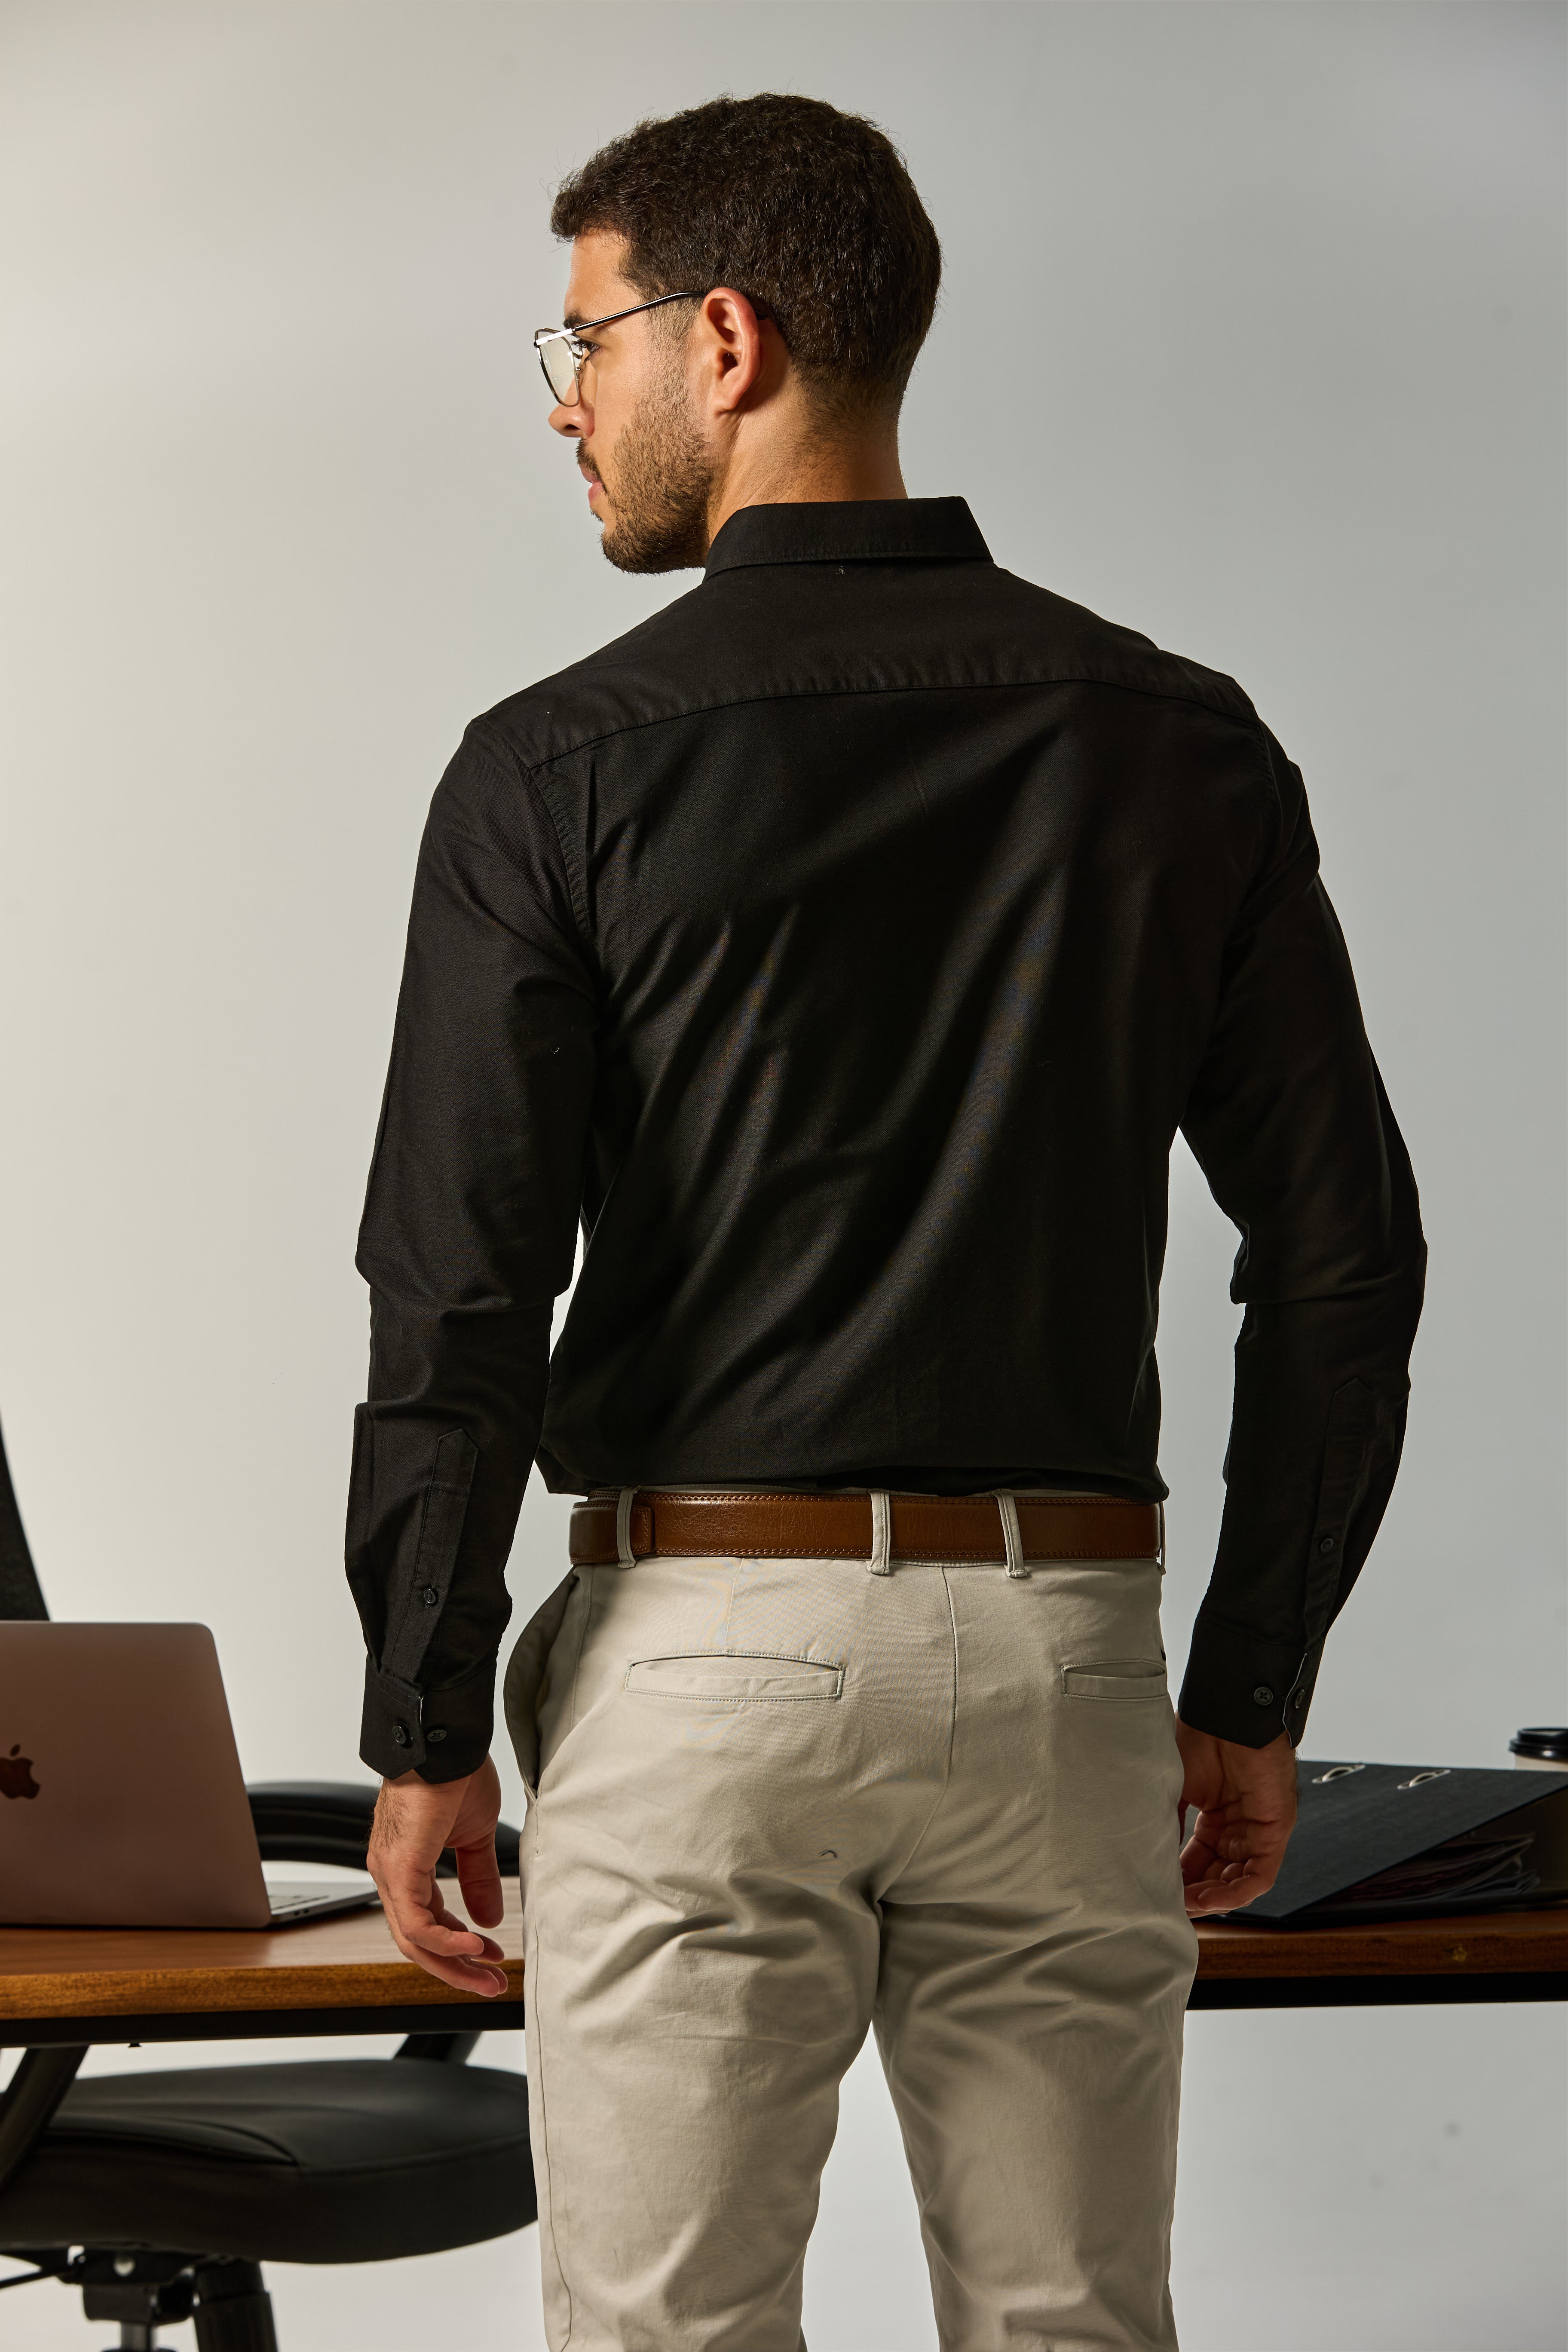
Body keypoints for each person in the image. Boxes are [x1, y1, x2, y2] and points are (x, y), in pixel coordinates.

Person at [352, 92, 1424, 2352]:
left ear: (725, 339)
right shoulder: (1182, 741)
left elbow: (463, 1285)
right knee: (1072, 2325)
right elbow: (1345, 1256)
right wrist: (1252, 1687)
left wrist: (425, 1715)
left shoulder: (554, 768)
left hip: (701, 1662)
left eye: (587, 341)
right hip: (1064, 1662)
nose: (567, 402)